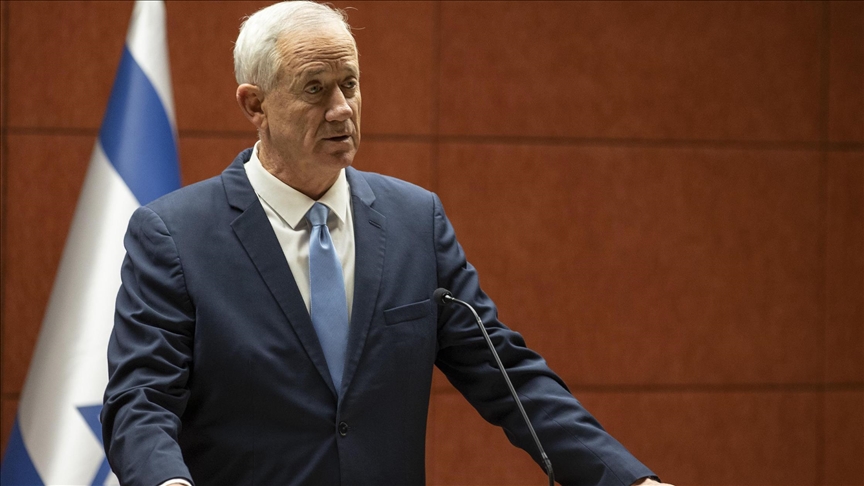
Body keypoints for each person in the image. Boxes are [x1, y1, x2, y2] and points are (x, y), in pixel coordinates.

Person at [101, 2, 672, 485]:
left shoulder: (413, 221)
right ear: (255, 105)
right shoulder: (175, 235)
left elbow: (507, 375)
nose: (341, 109)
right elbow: (141, 400)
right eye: (315, 89)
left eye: (349, 84)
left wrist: (628, 479)